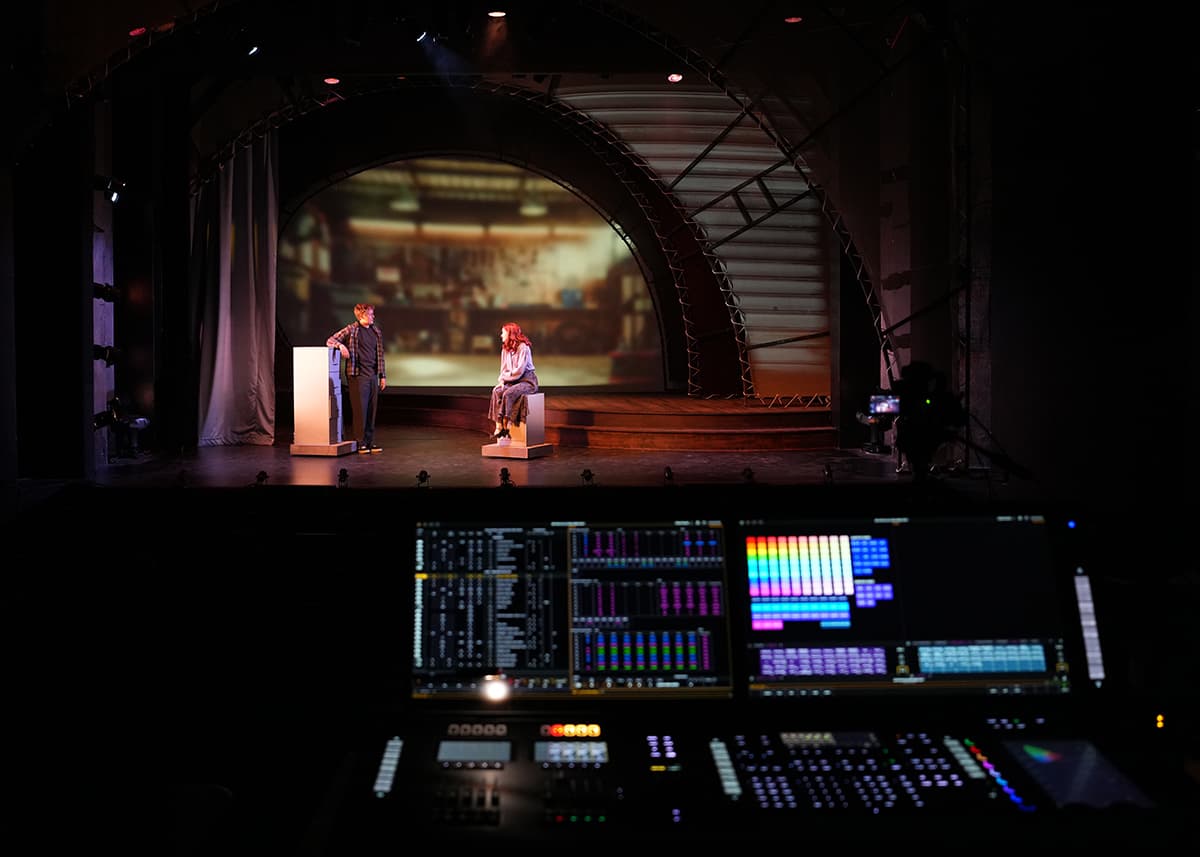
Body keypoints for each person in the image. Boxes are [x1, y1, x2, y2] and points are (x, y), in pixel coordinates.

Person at [326, 303, 387, 453]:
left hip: (372, 376)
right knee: (360, 410)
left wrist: (382, 376)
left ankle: (369, 441)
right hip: (357, 376)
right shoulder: (352, 330)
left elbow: (380, 356)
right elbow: (330, 340)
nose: (373, 316)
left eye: (373, 314)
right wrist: (341, 346)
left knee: (371, 410)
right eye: (371, 314)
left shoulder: (376, 332)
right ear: (362, 315)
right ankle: (360, 442)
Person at [488, 322, 538, 441]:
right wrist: (502, 380)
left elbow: (519, 371)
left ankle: (507, 424)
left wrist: (506, 378)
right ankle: (499, 424)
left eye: (503, 333)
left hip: (527, 381)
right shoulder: (505, 349)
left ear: (510, 334)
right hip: (512, 380)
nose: (501, 335)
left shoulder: (523, 348)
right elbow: (503, 369)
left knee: (508, 393)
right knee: (497, 391)